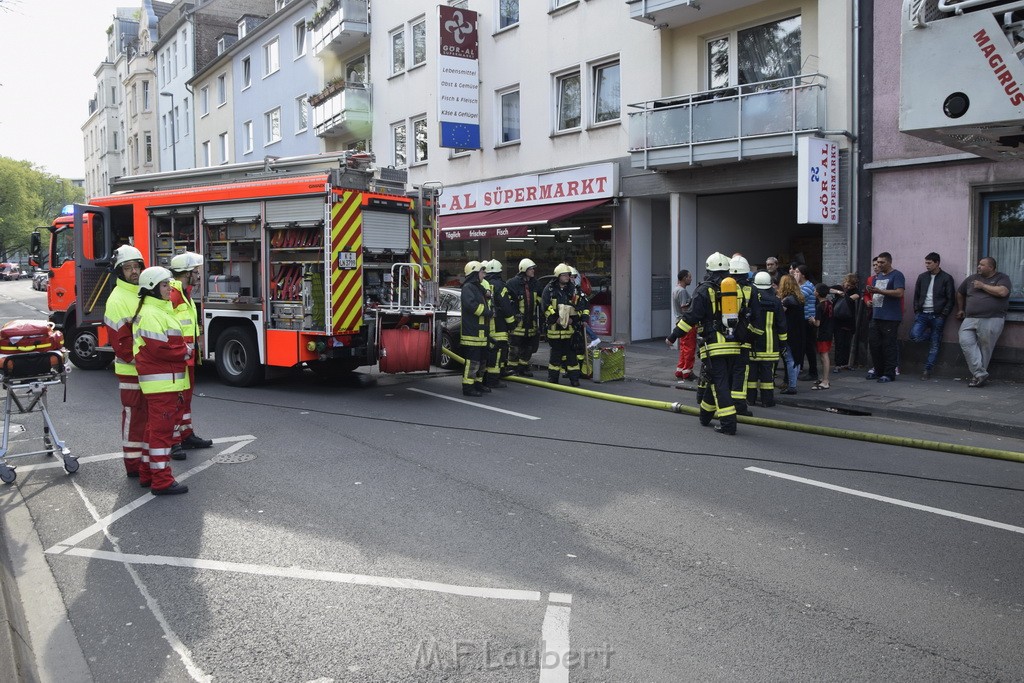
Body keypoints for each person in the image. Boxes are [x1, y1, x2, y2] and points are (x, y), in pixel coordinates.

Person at [665, 252, 742, 435]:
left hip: (714, 345)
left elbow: (691, 317)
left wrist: (673, 335)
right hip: (734, 343)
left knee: (719, 384)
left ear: (709, 270)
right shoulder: (735, 288)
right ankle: (705, 417)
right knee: (716, 380)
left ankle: (728, 424)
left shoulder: (703, 290)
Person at [132, 266, 191, 495]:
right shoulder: (152, 313)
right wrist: (185, 351)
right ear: (152, 289)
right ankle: (162, 480)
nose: (170, 288)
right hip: (162, 383)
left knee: (153, 432)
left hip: (162, 383)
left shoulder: (157, 310)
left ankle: (148, 474)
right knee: (161, 435)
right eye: (165, 285)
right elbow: (161, 349)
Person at [103, 245, 147, 479]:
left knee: (148, 417)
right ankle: (133, 464)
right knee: (134, 416)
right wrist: (144, 360)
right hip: (131, 369)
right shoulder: (118, 299)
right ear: (120, 272)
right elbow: (122, 344)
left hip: (147, 369)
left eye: (136, 266)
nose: (133, 271)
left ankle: (146, 462)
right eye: (128, 267)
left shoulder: (142, 292)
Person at [168, 252, 213, 454]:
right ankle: (174, 441)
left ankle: (186, 435)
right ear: (186, 274)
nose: (198, 275)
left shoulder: (184, 293)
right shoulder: (174, 295)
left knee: (185, 399)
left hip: (188, 356)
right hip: (179, 356)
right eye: (195, 272)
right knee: (177, 400)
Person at [955, 256, 1012, 387]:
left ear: (991, 267)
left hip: (992, 317)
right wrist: (960, 309)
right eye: (978, 264)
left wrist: (983, 286)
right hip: (970, 318)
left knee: (985, 348)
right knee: (965, 341)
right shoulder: (971, 278)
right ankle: (980, 373)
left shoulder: (1001, 278)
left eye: (982, 265)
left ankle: (978, 377)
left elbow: (1003, 292)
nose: (978, 267)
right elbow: (960, 292)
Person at [910, 252, 956, 380]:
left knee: (935, 345)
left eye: (929, 263)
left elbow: (950, 299)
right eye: (926, 262)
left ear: (937, 263)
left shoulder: (946, 278)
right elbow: (916, 295)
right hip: (922, 314)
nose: (926, 265)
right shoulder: (922, 277)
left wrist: (943, 315)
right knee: (914, 336)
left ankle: (927, 370)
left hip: (938, 316)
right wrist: (917, 311)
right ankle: (933, 336)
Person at [746, 271, 787, 407]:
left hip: (752, 344)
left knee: (751, 376)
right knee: (767, 377)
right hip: (770, 347)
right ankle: (767, 401)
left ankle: (750, 400)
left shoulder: (750, 301)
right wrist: (783, 344)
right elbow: (782, 325)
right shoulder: (775, 302)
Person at [541, 263, 585, 386]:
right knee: (555, 356)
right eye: (564, 275)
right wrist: (555, 319)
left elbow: (580, 307)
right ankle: (553, 379)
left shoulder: (573, 289)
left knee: (571, 357)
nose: (567, 277)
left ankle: (574, 379)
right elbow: (545, 307)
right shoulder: (549, 289)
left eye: (568, 275)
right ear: (558, 276)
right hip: (554, 330)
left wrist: (573, 319)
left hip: (569, 331)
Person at [865, 252, 905, 383]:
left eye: (882, 262)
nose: (879, 265)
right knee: (875, 345)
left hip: (890, 317)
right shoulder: (878, 277)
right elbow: (877, 294)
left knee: (888, 346)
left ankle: (889, 373)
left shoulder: (897, 275)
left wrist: (880, 291)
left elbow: (899, 293)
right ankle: (878, 370)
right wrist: (870, 299)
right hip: (876, 315)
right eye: (877, 263)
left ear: (889, 262)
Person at [505, 258, 542, 377]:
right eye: (530, 269)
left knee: (528, 347)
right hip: (518, 322)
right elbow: (509, 302)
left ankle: (523, 367)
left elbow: (541, 299)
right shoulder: (512, 283)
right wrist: (514, 316)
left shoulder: (535, 283)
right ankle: (512, 367)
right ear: (524, 270)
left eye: (533, 269)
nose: (533, 271)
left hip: (531, 322)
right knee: (515, 347)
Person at [483, 259, 515, 387]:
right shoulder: (500, 286)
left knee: (490, 353)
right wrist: (511, 323)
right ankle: (493, 380)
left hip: (485, 325)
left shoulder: (484, 284)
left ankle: (489, 377)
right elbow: (506, 307)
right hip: (499, 325)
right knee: (497, 353)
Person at [460, 260, 490, 397]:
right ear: (474, 273)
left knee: (482, 361)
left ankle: (478, 383)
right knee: (472, 362)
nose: (483, 274)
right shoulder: (468, 288)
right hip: (472, 333)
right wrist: (487, 311)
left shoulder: (477, 287)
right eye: (481, 272)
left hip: (481, 332)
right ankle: (468, 387)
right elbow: (471, 306)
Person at [729, 255, 755, 417]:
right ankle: (739, 405)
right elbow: (756, 317)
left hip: (724, 341)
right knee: (741, 372)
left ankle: (722, 402)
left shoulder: (722, 288)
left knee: (724, 372)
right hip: (743, 341)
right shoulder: (752, 290)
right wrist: (751, 335)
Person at [777, 274, 805, 395]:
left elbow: (780, 315)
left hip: (789, 332)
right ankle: (793, 383)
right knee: (797, 358)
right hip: (799, 331)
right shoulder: (799, 298)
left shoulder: (787, 301)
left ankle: (792, 386)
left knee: (789, 359)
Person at [791, 264, 818, 382]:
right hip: (801, 319)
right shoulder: (801, 285)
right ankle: (800, 368)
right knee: (802, 345)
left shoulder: (808, 286)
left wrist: (795, 283)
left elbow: (798, 297)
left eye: (797, 272)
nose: (795, 274)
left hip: (807, 319)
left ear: (803, 274)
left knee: (809, 347)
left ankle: (813, 372)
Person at [829, 273, 860, 372]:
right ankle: (838, 364)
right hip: (837, 320)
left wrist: (844, 294)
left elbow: (853, 298)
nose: (848, 286)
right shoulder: (839, 287)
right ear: (844, 281)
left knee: (847, 343)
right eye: (847, 284)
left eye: (851, 285)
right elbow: (827, 289)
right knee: (839, 343)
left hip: (849, 320)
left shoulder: (855, 291)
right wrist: (838, 291)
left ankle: (846, 364)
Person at [672, 269, 696, 380]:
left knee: (683, 347)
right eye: (689, 277)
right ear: (684, 278)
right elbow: (685, 308)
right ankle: (687, 371)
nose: (691, 279)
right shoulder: (682, 291)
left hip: (679, 321)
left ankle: (680, 369)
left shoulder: (676, 289)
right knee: (689, 348)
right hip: (686, 323)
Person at [810, 283, 834, 390]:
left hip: (822, 333)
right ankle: (824, 378)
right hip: (829, 332)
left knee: (824, 356)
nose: (814, 291)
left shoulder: (819, 306)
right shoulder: (829, 303)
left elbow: (817, 323)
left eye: (815, 290)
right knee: (824, 355)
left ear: (818, 293)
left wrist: (812, 320)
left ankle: (825, 381)